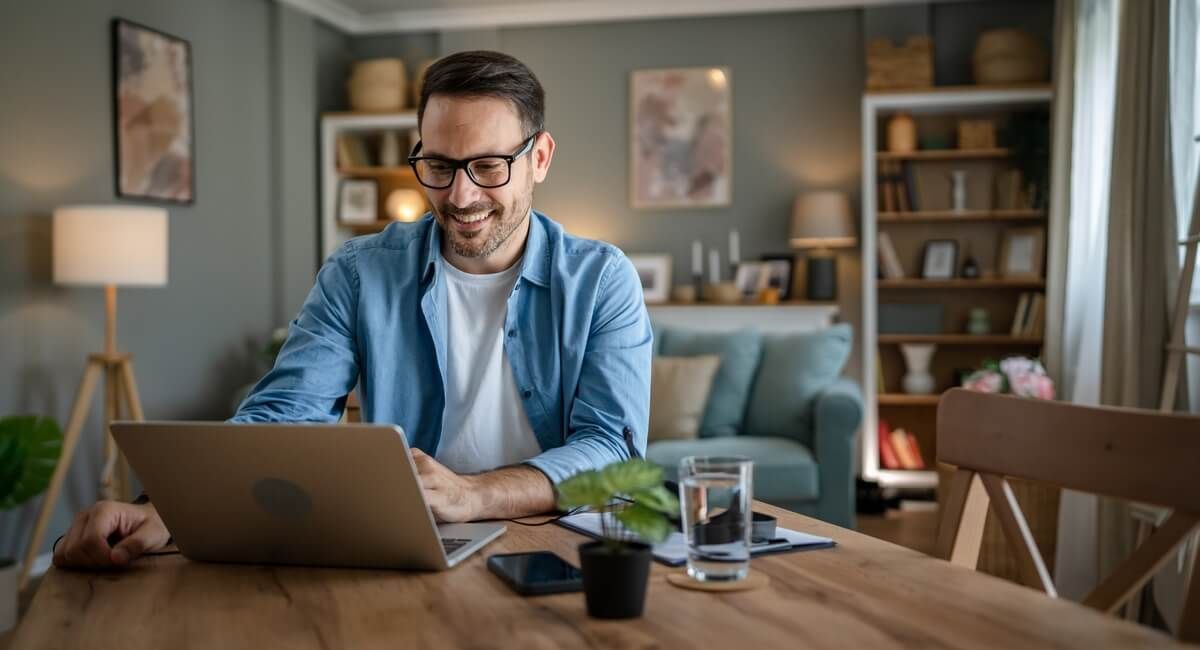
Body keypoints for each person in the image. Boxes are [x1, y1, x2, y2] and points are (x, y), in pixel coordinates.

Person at [52, 50, 653, 570]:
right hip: (410, 551)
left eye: (489, 167)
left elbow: (612, 448)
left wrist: (474, 494)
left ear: (540, 158)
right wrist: (162, 512)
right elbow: (285, 413)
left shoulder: (602, 280)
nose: (461, 196)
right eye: (439, 167)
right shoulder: (361, 271)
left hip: (563, 551)